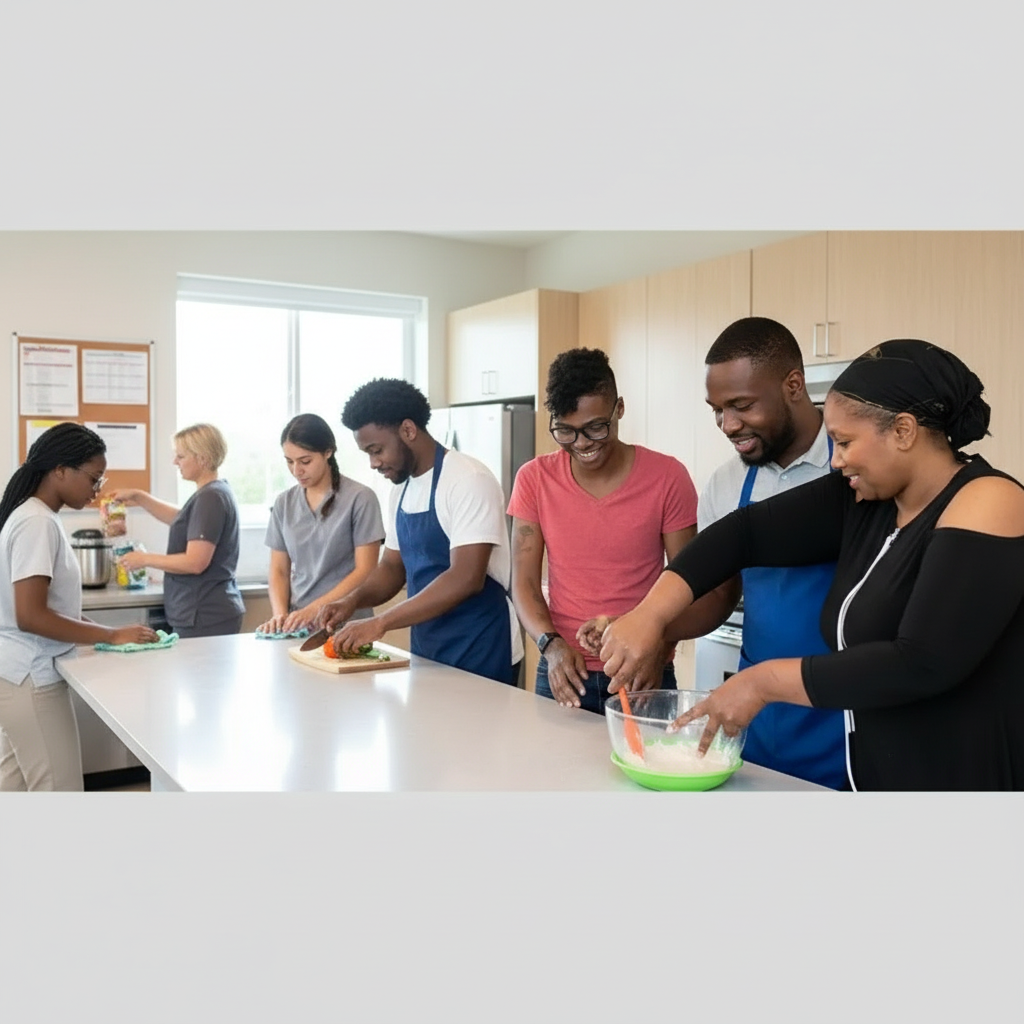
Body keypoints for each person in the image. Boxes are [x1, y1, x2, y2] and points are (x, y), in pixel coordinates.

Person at [599, 339, 1024, 791]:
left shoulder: (989, 500)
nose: (836, 460)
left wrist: (761, 682)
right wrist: (650, 614)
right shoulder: (867, 501)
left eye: (845, 442)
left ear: (903, 431)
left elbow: (921, 662)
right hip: (876, 781)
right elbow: (741, 535)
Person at [659, 317, 847, 788]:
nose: (728, 425)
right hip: (755, 712)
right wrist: (651, 627)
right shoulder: (727, 483)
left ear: (794, 386)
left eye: (741, 405)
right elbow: (718, 595)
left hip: (842, 714)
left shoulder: (855, 465)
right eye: (717, 410)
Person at [507, 347, 698, 714]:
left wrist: (659, 646)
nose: (582, 443)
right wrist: (551, 646)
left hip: (643, 668)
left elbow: (687, 584)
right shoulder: (534, 479)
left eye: (596, 427)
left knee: (645, 755)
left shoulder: (668, 477)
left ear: (619, 409)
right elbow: (524, 583)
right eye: (566, 430)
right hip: (563, 671)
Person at [318, 378, 524, 685]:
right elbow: (392, 568)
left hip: (481, 646)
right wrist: (352, 601)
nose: (374, 463)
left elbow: (466, 577)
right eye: (367, 454)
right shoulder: (400, 490)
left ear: (408, 430)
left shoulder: (469, 479)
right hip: (428, 648)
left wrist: (381, 622)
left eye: (377, 450)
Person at [0, 423, 157, 791]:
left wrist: (98, 632)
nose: (96, 491)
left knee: (13, 788)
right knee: (62, 792)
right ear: (60, 470)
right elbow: (30, 616)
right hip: (31, 677)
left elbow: (50, 608)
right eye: (93, 479)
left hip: (15, 674)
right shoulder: (37, 521)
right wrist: (111, 634)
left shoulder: (33, 515)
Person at [112, 423, 246, 639]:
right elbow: (182, 519)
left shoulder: (210, 497)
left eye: (181, 456)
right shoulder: (214, 492)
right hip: (205, 610)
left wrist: (144, 559)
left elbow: (195, 562)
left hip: (204, 612)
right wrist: (139, 497)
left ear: (202, 459)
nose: (175, 462)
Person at [256, 413, 384, 634]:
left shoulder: (360, 498)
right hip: (298, 625)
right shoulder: (284, 503)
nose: (297, 470)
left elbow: (365, 570)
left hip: (348, 623)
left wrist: (315, 609)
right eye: (289, 462)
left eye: (305, 461)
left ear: (328, 452)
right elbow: (278, 570)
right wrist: (280, 616)